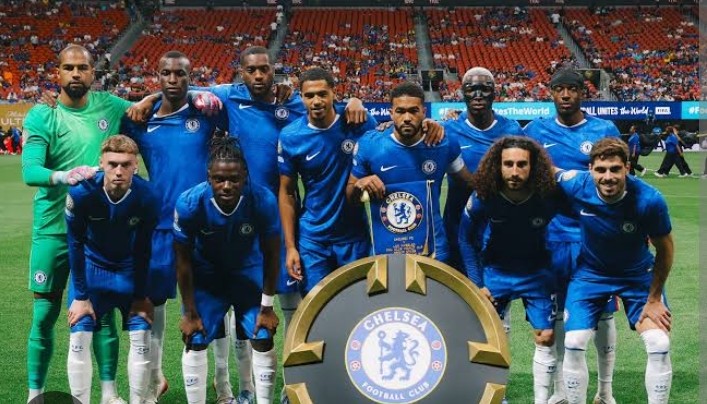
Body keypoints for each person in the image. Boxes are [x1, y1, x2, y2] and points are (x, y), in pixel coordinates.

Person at [195, 46, 367, 403]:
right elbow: (181, 89)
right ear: (241, 72)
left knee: (294, 306)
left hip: (283, 223)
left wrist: (354, 99)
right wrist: (147, 98)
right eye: (251, 70)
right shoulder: (229, 97)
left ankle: (297, 386)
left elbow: (329, 105)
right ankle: (243, 388)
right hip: (237, 220)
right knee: (242, 305)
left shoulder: (294, 107)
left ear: (275, 70)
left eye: (265, 69)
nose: (258, 75)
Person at [21, 44, 153, 404]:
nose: (76, 73)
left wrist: (208, 94)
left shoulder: (109, 105)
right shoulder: (42, 114)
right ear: (58, 73)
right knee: (44, 314)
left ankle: (108, 393)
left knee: (103, 313)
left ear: (94, 72)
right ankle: (35, 394)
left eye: (83, 67)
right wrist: (64, 176)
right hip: (53, 229)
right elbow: (30, 171)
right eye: (69, 67)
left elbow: (152, 104)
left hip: (98, 232)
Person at [120, 50, 233, 403]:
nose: (173, 80)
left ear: (189, 76)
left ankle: (223, 383)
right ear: (157, 75)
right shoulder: (139, 120)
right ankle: (154, 381)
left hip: (203, 227)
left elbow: (235, 97)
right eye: (166, 74)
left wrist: (198, 92)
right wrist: (147, 100)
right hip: (158, 228)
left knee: (213, 304)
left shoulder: (206, 112)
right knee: (154, 304)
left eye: (180, 74)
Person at [524, 68, 621, 404]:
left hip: (595, 236)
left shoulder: (604, 130)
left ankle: (605, 390)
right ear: (550, 93)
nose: (565, 95)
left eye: (572, 89)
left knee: (604, 314)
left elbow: (621, 182)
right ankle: (563, 390)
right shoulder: (535, 131)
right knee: (557, 315)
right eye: (559, 89)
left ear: (583, 92)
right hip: (551, 237)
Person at [556, 138, 674, 404]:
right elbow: (548, 170)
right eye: (600, 170)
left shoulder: (649, 200)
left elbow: (665, 250)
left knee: (659, 344)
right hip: (589, 276)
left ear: (627, 168)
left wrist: (654, 298)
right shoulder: (577, 184)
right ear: (590, 169)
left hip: (637, 276)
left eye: (615, 169)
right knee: (573, 341)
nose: (607, 177)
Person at [174, 137, 280, 404]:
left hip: (247, 272)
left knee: (262, 335)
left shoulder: (262, 199)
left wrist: (267, 307)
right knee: (195, 336)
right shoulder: (189, 203)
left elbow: (272, 254)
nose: (227, 185)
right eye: (219, 179)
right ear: (208, 177)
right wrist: (189, 313)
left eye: (234, 179)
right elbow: (183, 261)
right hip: (207, 277)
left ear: (245, 176)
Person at [459, 136, 559, 403]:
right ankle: (497, 398)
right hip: (496, 271)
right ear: (498, 166)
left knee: (546, 337)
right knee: (490, 337)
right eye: (508, 164)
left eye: (522, 164)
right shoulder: (484, 196)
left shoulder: (549, 195)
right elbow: (465, 239)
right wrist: (477, 284)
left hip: (538, 272)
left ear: (533, 166)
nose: (514, 171)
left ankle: (541, 401)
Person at [65, 135, 158, 404]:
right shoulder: (81, 193)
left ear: (135, 165)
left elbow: (144, 248)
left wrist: (140, 295)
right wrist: (81, 296)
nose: (119, 171)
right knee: (79, 335)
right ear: (101, 164)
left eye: (125, 164)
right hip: (92, 271)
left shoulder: (148, 196)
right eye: (112, 164)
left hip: (128, 272)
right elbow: (74, 243)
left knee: (141, 335)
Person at [346, 82, 473, 262]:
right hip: (387, 251)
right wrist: (360, 184)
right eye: (400, 111)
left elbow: (468, 183)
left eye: (413, 111)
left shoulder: (444, 143)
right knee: (391, 281)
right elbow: (350, 197)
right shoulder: (370, 144)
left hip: (434, 251)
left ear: (424, 112)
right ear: (391, 113)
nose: (407, 117)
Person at [278, 67, 377, 295]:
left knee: (360, 304)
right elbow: (287, 192)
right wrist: (291, 247)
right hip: (313, 239)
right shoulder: (291, 137)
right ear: (301, 97)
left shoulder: (358, 122)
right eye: (309, 95)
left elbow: (389, 143)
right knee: (316, 306)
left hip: (354, 236)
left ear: (334, 92)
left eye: (322, 94)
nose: (316, 101)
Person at [442, 66, 525, 271]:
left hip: (499, 227)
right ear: (463, 94)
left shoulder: (512, 129)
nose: (478, 95)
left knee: (496, 286)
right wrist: (387, 125)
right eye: (471, 89)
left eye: (484, 89)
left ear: (494, 93)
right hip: (456, 226)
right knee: (459, 287)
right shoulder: (448, 130)